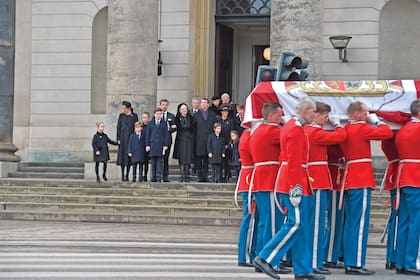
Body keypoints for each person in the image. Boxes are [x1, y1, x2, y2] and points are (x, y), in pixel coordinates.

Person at [254, 97, 324, 280]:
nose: (314, 116)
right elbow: (293, 162)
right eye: (313, 112)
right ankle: (265, 257)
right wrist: (295, 188)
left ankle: (302, 269)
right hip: (294, 181)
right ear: (305, 110)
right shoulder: (295, 129)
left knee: (302, 226)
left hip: (297, 179)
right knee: (296, 223)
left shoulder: (293, 127)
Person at [340, 101, 392, 275]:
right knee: (360, 223)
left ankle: (349, 260)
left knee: (351, 223)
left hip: (350, 178)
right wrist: (376, 120)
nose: (366, 116)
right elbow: (386, 133)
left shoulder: (346, 129)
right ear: (356, 114)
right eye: (364, 113)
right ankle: (355, 263)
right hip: (360, 178)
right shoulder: (360, 128)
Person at [304, 102, 347, 275]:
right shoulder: (314, 131)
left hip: (312, 178)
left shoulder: (307, 130)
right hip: (318, 179)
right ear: (315, 115)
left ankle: (313, 260)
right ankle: (314, 262)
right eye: (324, 116)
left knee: (312, 222)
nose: (326, 119)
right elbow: (340, 137)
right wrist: (337, 125)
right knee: (316, 224)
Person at [249, 102, 287, 274]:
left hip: (261, 179)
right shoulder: (272, 130)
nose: (281, 118)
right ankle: (270, 261)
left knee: (265, 222)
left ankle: (261, 257)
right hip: (269, 179)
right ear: (271, 116)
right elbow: (289, 139)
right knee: (273, 223)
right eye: (279, 115)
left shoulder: (258, 130)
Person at [394, 99, 420, 275]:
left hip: (404, 177)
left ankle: (400, 262)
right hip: (416, 177)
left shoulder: (404, 129)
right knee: (415, 223)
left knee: (403, 222)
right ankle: (410, 262)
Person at [236, 128, 257, 267]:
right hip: (252, 180)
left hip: (251, 178)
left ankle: (249, 253)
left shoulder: (247, 134)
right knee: (250, 220)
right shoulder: (249, 136)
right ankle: (246, 255)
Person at [323, 144, 345, 269]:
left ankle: (333, 253)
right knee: (335, 220)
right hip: (334, 178)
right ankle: (329, 256)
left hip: (339, 177)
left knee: (338, 220)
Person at [380, 134, 399, 271]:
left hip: (398, 174)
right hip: (399, 175)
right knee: (398, 218)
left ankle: (393, 257)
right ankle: (393, 257)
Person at [193, 98, 216, 182]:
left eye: (205, 103)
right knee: (199, 159)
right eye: (202, 103)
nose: (203, 104)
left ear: (208, 104)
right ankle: (200, 176)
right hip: (199, 140)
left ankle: (205, 176)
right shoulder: (196, 115)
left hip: (208, 140)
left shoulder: (212, 114)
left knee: (206, 160)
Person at [146, 108, 170, 183]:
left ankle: (158, 176)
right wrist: (147, 145)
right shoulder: (150, 123)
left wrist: (166, 144)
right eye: (157, 114)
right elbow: (148, 135)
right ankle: (153, 177)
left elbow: (166, 134)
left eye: (160, 114)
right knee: (153, 161)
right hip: (152, 144)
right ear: (154, 114)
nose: (159, 115)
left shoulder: (164, 123)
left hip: (160, 145)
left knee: (159, 161)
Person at [116, 101, 139, 181]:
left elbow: (136, 127)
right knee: (122, 156)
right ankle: (122, 174)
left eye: (124, 108)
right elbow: (118, 128)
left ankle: (127, 174)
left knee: (129, 157)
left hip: (131, 138)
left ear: (128, 108)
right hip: (122, 139)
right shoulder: (121, 116)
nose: (123, 110)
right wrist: (118, 138)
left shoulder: (134, 116)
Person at [173, 103, 194, 182]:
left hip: (189, 140)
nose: (184, 111)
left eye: (185, 109)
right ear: (179, 110)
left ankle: (186, 175)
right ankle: (182, 175)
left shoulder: (191, 118)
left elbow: (193, 128)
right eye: (182, 109)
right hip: (180, 140)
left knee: (187, 158)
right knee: (182, 158)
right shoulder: (177, 118)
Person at [216, 104, 234, 182]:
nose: (225, 113)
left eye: (226, 112)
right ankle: (219, 176)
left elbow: (232, 132)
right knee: (219, 161)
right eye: (223, 111)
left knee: (227, 161)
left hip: (227, 144)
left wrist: (229, 143)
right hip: (219, 143)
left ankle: (228, 175)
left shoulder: (230, 121)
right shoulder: (218, 120)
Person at [160, 99, 176, 182]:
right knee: (159, 158)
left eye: (166, 105)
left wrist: (170, 129)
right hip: (159, 140)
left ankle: (165, 176)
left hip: (168, 139)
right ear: (160, 105)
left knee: (166, 158)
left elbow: (174, 127)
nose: (164, 106)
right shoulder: (157, 115)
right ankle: (158, 175)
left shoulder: (171, 116)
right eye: (163, 104)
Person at [141, 112, 150, 182]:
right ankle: (140, 175)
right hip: (141, 146)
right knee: (141, 162)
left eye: (146, 117)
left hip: (148, 146)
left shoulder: (150, 126)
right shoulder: (140, 126)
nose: (145, 119)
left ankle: (145, 175)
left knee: (146, 162)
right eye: (143, 117)